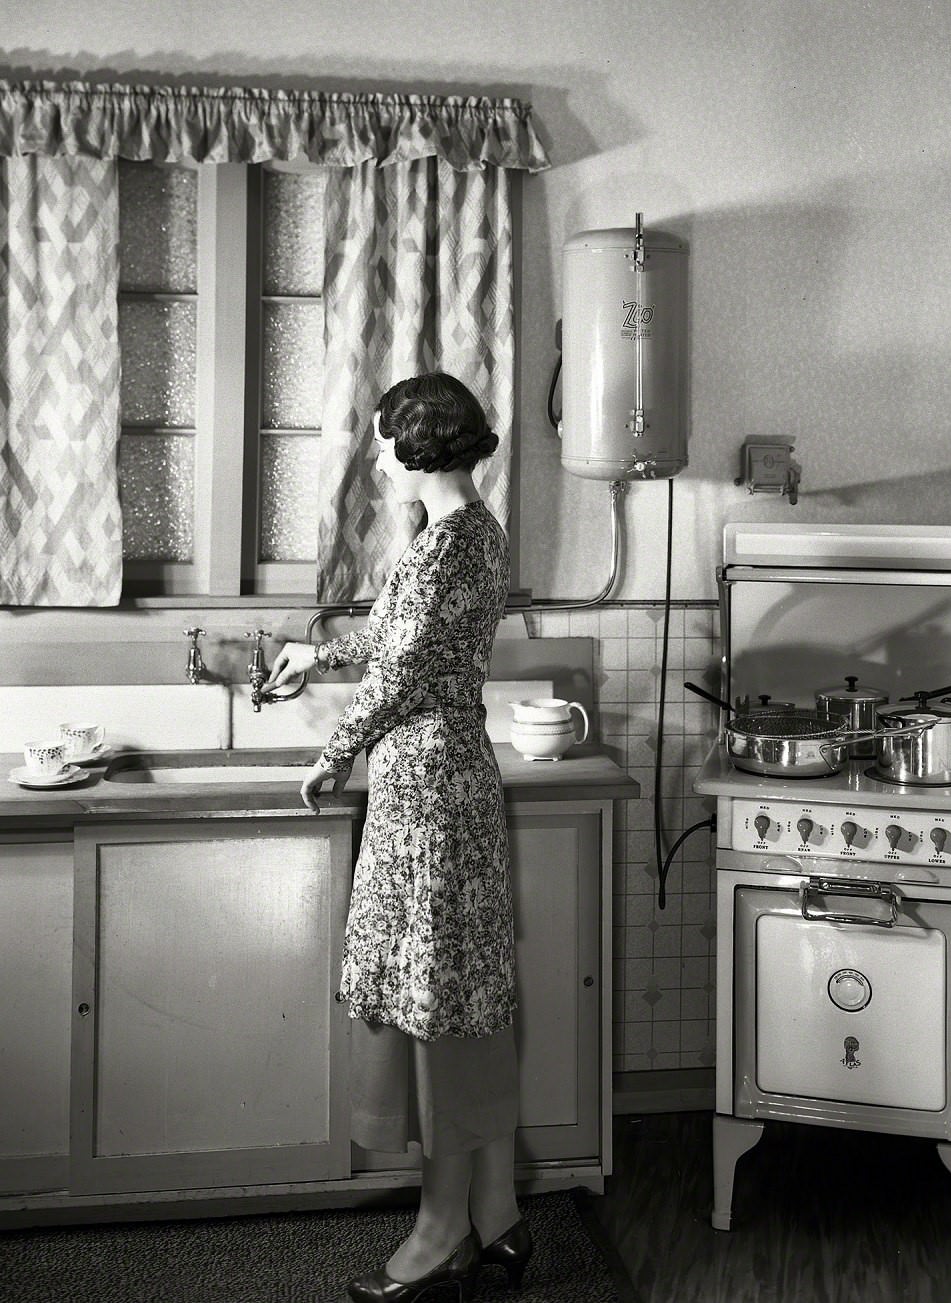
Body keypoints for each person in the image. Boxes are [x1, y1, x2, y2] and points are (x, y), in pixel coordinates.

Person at [264, 373, 531, 1303]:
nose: (379, 457)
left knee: (435, 998)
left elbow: (405, 672)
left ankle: (439, 1228)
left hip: (427, 790)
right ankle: (496, 1212)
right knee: (462, 990)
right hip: (450, 777)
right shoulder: (470, 535)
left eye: (385, 441)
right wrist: (321, 652)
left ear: (419, 447)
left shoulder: (443, 548)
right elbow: (400, 640)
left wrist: (334, 752)